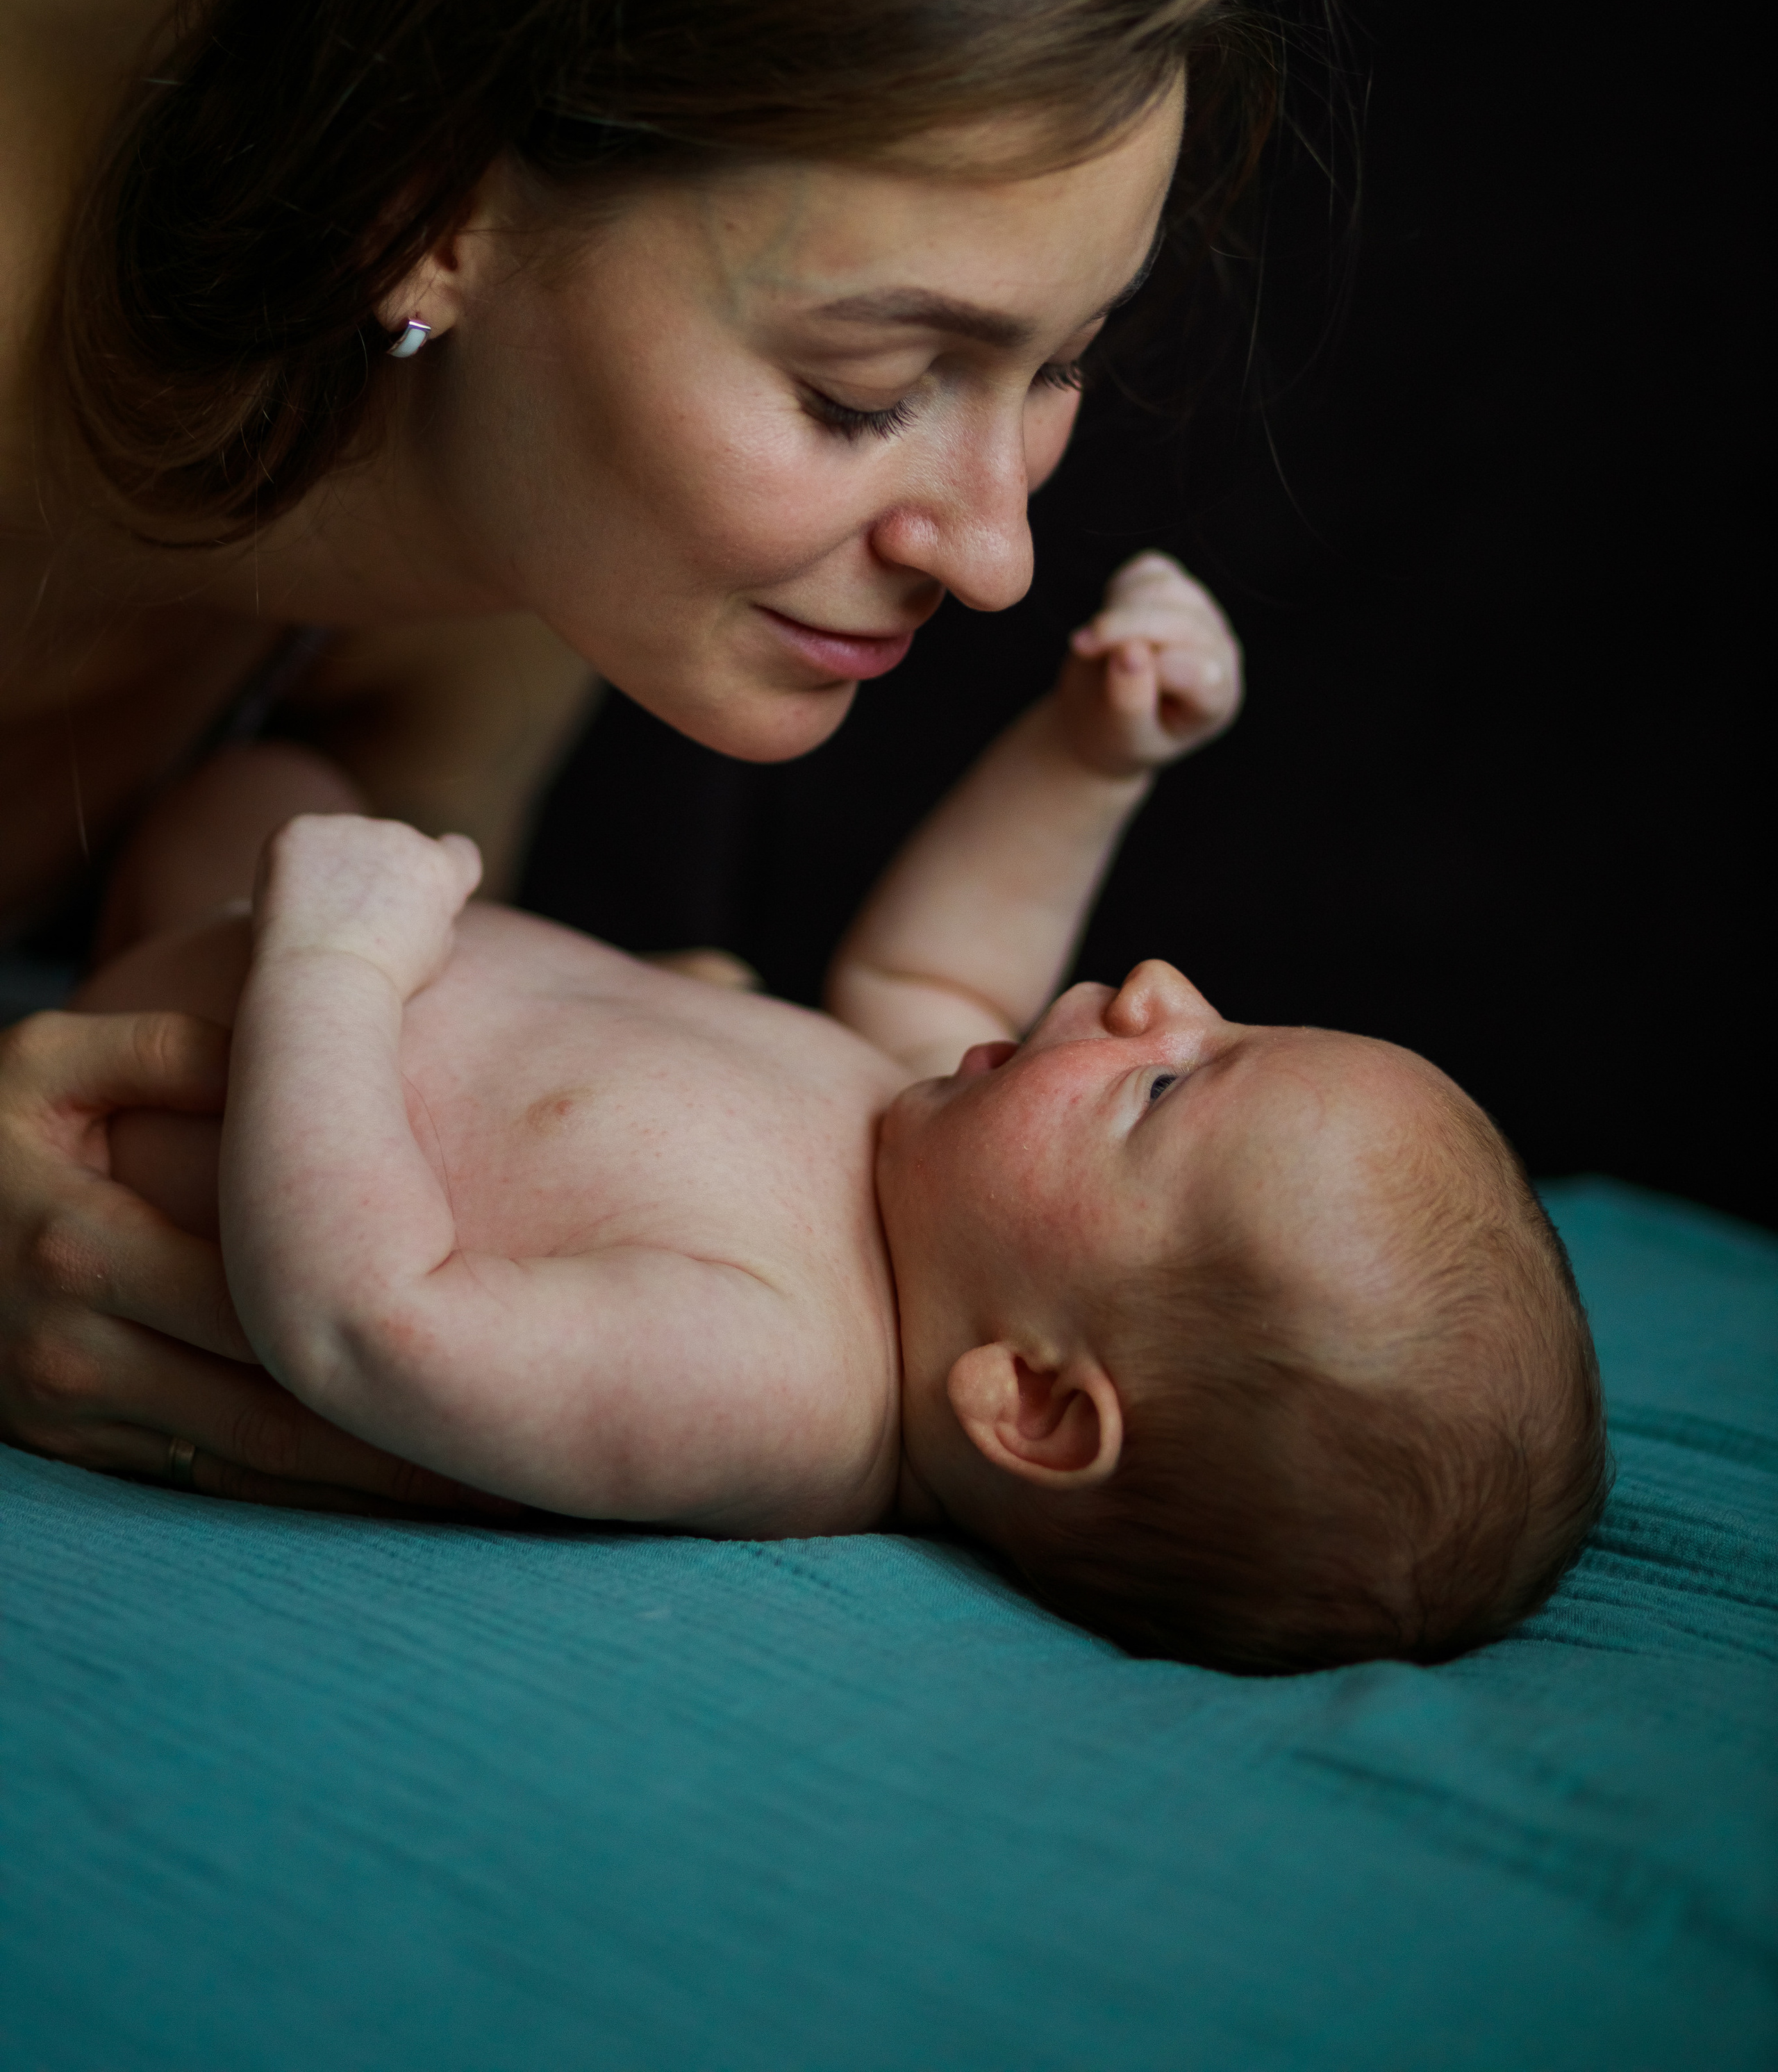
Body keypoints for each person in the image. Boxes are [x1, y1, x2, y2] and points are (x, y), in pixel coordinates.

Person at [0, 0, 1317, 1509]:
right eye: (860, 392)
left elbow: (311, 987)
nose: (995, 559)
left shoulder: (521, 509)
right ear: (422, 207)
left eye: (1060, 367)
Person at [80, 554, 1607, 1671]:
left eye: (1166, 1087)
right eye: (1228, 1021)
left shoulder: (775, 1375)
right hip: (276, 913)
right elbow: (937, 967)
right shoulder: (934, 1161)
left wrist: (335, 968)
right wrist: (1091, 756)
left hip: (166, 1077)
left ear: (1033, 1403)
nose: (1161, 988)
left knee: (240, 780)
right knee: (265, 772)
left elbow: (371, 1324)